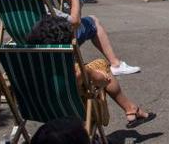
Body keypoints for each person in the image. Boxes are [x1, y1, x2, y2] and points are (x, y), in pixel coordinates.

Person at [26, 15, 155, 127]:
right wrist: (92, 73)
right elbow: (104, 81)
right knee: (101, 64)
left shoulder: (25, 67)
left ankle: (131, 108)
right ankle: (130, 109)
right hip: (73, 113)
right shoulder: (77, 71)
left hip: (36, 109)